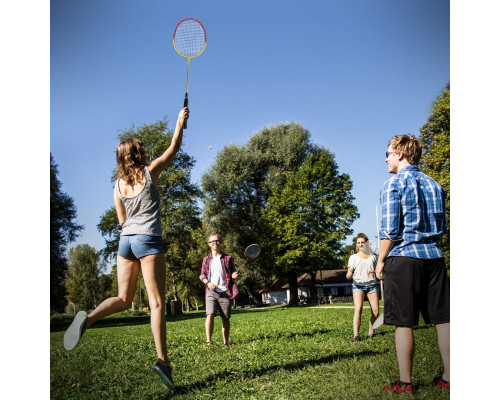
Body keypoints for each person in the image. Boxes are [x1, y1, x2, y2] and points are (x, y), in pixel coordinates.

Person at [63, 107, 189, 390]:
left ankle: (90, 318)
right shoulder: (150, 172)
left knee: (123, 298)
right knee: (156, 303)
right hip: (147, 238)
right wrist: (179, 123)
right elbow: (174, 148)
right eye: (141, 149)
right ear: (137, 155)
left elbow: (121, 221)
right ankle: (163, 361)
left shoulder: (117, 185)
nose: (144, 152)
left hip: (126, 242)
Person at [375, 134, 450, 394]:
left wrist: (381, 260)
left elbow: (390, 231)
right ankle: (450, 377)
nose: (385, 158)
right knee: (444, 320)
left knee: (403, 322)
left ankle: (405, 383)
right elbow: (442, 226)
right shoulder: (435, 184)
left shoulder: (393, 184)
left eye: (388, 153)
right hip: (435, 257)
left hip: (405, 257)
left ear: (401, 154)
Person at [199, 233, 239, 347]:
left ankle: (226, 343)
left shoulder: (227, 258)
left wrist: (234, 274)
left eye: (216, 241)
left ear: (220, 242)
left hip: (225, 292)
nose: (214, 243)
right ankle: (208, 342)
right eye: (212, 241)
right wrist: (208, 283)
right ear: (209, 244)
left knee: (225, 317)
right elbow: (202, 275)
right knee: (210, 314)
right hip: (211, 291)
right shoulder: (206, 260)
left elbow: (233, 271)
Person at [346, 233, 379, 342]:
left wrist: (374, 273)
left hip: (371, 285)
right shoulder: (353, 257)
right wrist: (349, 274)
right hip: (358, 285)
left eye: (362, 242)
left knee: (376, 312)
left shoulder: (373, 257)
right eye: (358, 243)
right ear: (357, 244)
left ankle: (371, 328)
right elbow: (349, 270)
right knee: (358, 309)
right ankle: (356, 335)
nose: (360, 244)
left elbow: (379, 272)